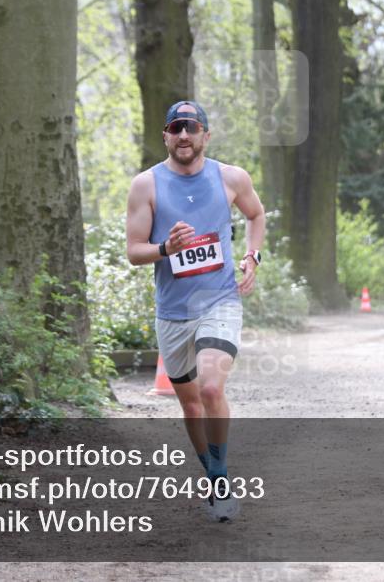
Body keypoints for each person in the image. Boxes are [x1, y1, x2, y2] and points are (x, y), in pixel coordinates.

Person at [126, 100, 265, 522]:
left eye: (192, 127)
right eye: (175, 128)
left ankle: (220, 481)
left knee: (210, 389)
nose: (184, 135)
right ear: (166, 136)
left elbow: (256, 215)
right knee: (189, 405)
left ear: (206, 134)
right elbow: (134, 252)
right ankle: (214, 476)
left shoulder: (231, 178)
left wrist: (252, 257)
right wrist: (167, 248)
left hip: (220, 300)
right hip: (172, 312)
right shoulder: (146, 185)